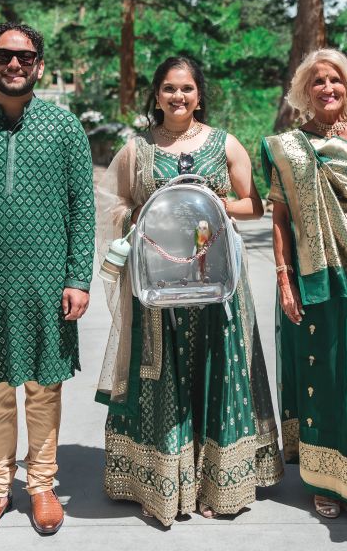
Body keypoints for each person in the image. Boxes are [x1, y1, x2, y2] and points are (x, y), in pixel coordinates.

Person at [96, 57, 283, 525]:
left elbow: (254, 205)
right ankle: (161, 481)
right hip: (158, 286)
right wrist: (141, 216)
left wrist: (216, 204)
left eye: (186, 89)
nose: (177, 97)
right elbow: (115, 204)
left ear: (199, 94)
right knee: (163, 375)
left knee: (216, 371)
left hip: (217, 282)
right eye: (168, 89)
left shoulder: (224, 143)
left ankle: (217, 482)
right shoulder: (137, 149)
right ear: (155, 95)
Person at [0, 22, 95, 539]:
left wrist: (78, 276)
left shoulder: (64, 127)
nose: (14, 64)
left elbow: (82, 208)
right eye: (5, 55)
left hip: (47, 282)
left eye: (25, 57)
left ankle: (42, 485)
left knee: (44, 388)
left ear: (39, 65)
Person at [262, 48, 347, 519]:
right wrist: (283, 278)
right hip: (312, 277)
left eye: (335, 80)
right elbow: (279, 218)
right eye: (317, 81)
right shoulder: (288, 146)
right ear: (304, 90)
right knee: (320, 373)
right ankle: (327, 480)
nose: (327, 88)